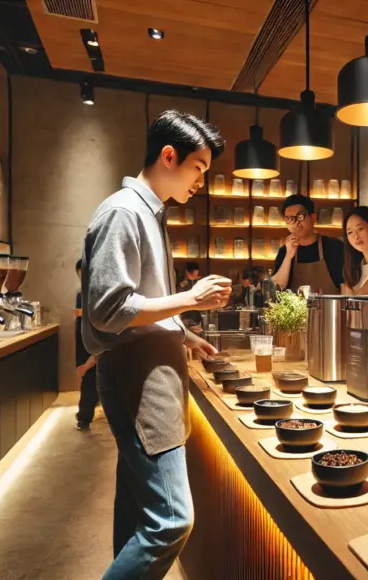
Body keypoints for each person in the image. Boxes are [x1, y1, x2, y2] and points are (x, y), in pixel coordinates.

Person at [82, 110, 233, 579]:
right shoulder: (124, 212)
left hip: (153, 376)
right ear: (170, 156)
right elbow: (109, 309)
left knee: (135, 513)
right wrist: (191, 298)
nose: (200, 183)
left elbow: (141, 305)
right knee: (171, 521)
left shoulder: (149, 213)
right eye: (199, 169)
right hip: (138, 382)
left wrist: (183, 333)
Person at [272, 194, 345, 294]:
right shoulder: (284, 251)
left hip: (330, 308)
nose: (296, 223)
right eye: (290, 218)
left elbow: (347, 285)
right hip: (295, 310)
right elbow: (277, 288)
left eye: (300, 216)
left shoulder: (334, 247)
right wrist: (288, 256)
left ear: (313, 218)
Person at [75, 258, 98, 430]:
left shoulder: (98, 293)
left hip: (95, 341)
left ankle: (84, 416)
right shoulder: (81, 294)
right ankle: (84, 415)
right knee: (89, 379)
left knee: (92, 380)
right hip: (83, 340)